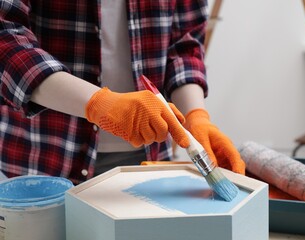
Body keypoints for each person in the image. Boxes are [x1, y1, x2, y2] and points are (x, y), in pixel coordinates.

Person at [0, 1, 245, 184]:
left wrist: (196, 115)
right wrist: (100, 104)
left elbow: (184, 44)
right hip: (44, 155)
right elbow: (6, 36)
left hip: (149, 157)